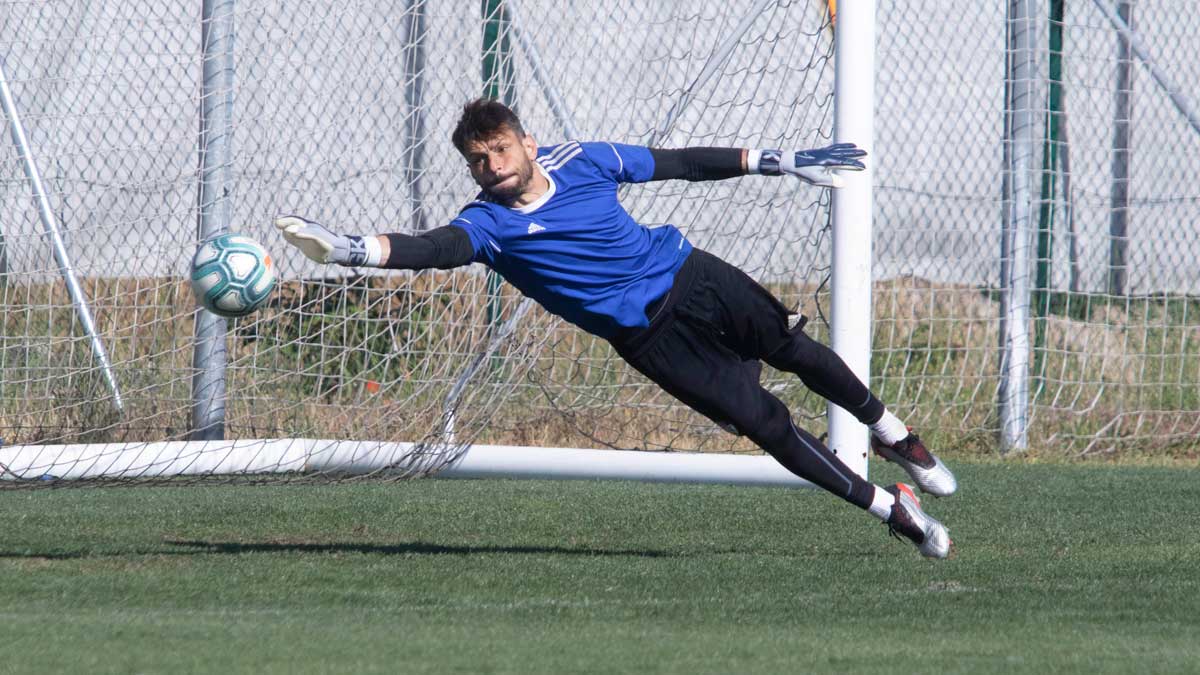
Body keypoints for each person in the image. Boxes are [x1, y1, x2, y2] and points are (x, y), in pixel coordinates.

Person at [275, 98, 957, 558]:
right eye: (479, 160)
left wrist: (774, 159)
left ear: (526, 143)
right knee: (765, 423)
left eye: (501, 149)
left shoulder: (585, 160)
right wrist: (351, 250)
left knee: (791, 347)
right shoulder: (487, 225)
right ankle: (889, 509)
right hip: (651, 340)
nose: (493, 166)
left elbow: (681, 163)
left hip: (693, 275)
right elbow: (429, 248)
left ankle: (895, 434)